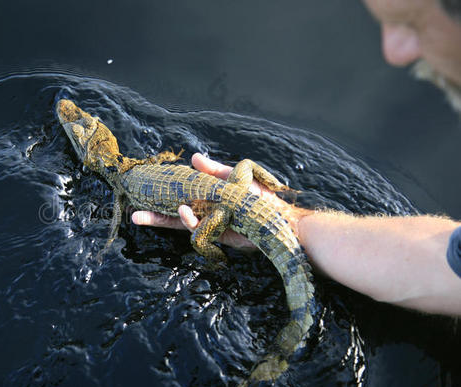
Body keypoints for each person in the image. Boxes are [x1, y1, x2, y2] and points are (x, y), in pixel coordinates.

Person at [131, 0, 461, 316]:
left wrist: (219, 261)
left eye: (412, 20)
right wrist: (287, 215)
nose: (391, 51)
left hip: (223, 202)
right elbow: (446, 262)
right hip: (241, 201)